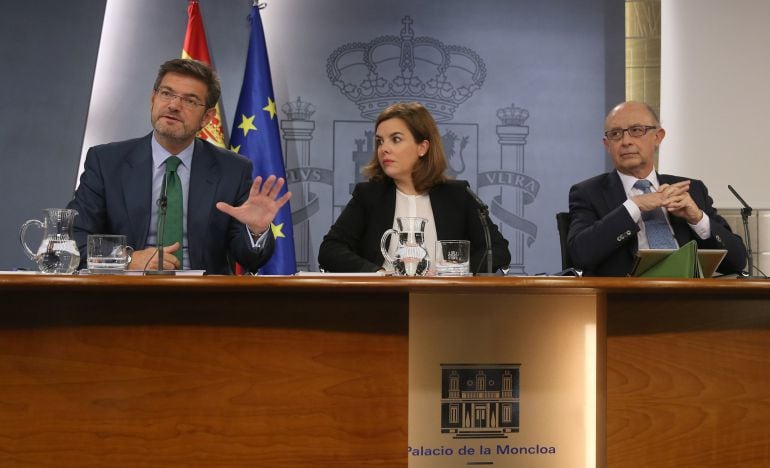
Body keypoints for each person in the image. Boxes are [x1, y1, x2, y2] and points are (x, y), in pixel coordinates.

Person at [68, 58, 291, 274]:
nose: (174, 105)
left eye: (190, 100)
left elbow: (250, 259)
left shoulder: (232, 170)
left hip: (204, 300)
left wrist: (256, 231)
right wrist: (127, 259)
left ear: (207, 117)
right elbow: (75, 239)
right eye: (166, 94)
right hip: (126, 297)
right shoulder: (107, 161)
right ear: (153, 99)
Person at [318, 102, 510, 274]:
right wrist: (378, 273)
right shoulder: (369, 196)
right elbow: (331, 249)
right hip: (381, 303)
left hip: (446, 303)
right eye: (380, 141)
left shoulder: (458, 195)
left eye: (396, 139)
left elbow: (497, 250)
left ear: (422, 147)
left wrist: (454, 272)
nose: (384, 148)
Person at [567, 101, 746, 277]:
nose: (626, 141)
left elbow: (737, 262)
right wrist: (633, 207)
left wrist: (697, 219)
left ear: (658, 137)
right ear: (607, 145)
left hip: (690, 298)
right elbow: (580, 255)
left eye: (636, 130)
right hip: (625, 300)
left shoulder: (691, 190)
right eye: (616, 134)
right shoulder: (588, 193)